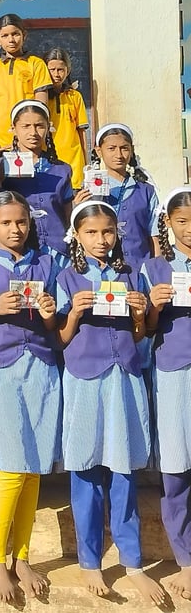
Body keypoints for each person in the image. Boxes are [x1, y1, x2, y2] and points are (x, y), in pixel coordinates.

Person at [57, 201, 164, 605]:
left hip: (123, 379)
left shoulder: (129, 274)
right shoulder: (66, 277)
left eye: (107, 232)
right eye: (91, 232)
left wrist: (139, 315)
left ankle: (132, 561)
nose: (101, 240)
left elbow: (139, 334)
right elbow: (61, 337)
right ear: (77, 235)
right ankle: (89, 561)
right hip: (84, 379)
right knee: (86, 467)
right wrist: (74, 314)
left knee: (123, 468)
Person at [0, 191, 61, 602]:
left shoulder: (48, 262)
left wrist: (49, 312)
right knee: (10, 465)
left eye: (21, 221)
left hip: (40, 367)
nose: (15, 229)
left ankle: (21, 555)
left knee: (33, 465)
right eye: (5, 222)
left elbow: (55, 324)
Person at [143, 188, 191, 600]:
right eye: (182, 221)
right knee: (176, 466)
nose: (190, 229)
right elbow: (145, 328)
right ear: (169, 223)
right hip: (173, 371)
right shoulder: (153, 268)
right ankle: (186, 560)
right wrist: (155, 306)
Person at [76, 123, 160, 263]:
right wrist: (79, 208)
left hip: (140, 266)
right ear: (99, 151)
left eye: (124, 148)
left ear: (132, 150)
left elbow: (154, 236)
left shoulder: (146, 190)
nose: (119, 155)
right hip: (102, 266)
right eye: (111, 148)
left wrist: (157, 267)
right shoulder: (90, 189)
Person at [1, 100, 74, 257]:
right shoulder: (2, 167)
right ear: (14, 128)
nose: (33, 132)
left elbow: (67, 215)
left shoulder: (62, 170)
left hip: (58, 250)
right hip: (18, 250)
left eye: (39, 126)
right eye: (26, 126)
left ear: (48, 128)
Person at [0, 14, 52, 154]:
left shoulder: (36, 64)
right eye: (5, 35)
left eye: (15, 34)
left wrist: (30, 137)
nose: (11, 40)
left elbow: (41, 107)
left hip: (27, 140)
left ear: (24, 35)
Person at [44, 48, 88, 189]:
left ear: (67, 71)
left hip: (74, 162)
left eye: (60, 70)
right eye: (52, 70)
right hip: (48, 160)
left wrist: (87, 164)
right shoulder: (40, 98)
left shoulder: (74, 96)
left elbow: (81, 132)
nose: (56, 74)